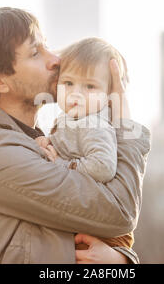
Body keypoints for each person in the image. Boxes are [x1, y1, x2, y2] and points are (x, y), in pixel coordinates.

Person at [0, 7, 150, 263]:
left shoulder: (45, 141)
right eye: (36, 52)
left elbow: (91, 235)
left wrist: (121, 260)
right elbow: (118, 212)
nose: (55, 59)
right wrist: (125, 125)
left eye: (46, 45)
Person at [35, 37, 135, 251]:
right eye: (68, 83)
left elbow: (102, 166)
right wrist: (50, 141)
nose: (76, 94)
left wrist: (62, 163)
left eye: (90, 86)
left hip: (103, 234)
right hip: (88, 220)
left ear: (108, 97)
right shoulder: (73, 119)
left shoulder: (93, 123)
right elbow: (71, 146)